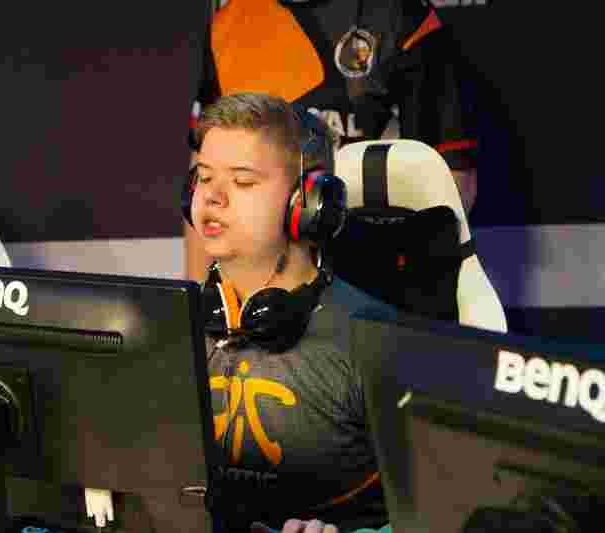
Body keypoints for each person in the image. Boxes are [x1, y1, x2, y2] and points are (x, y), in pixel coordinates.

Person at [187, 92, 390, 533]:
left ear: (308, 202)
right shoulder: (171, 333)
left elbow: (448, 510)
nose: (213, 197)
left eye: (242, 182)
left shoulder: (376, 342)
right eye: (204, 177)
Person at [185, 0, 479, 282]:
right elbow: (205, 179)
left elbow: (452, 178)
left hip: (375, 279)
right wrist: (198, 300)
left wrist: (406, 281)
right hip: (260, 285)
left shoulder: (400, 15)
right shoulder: (228, 25)